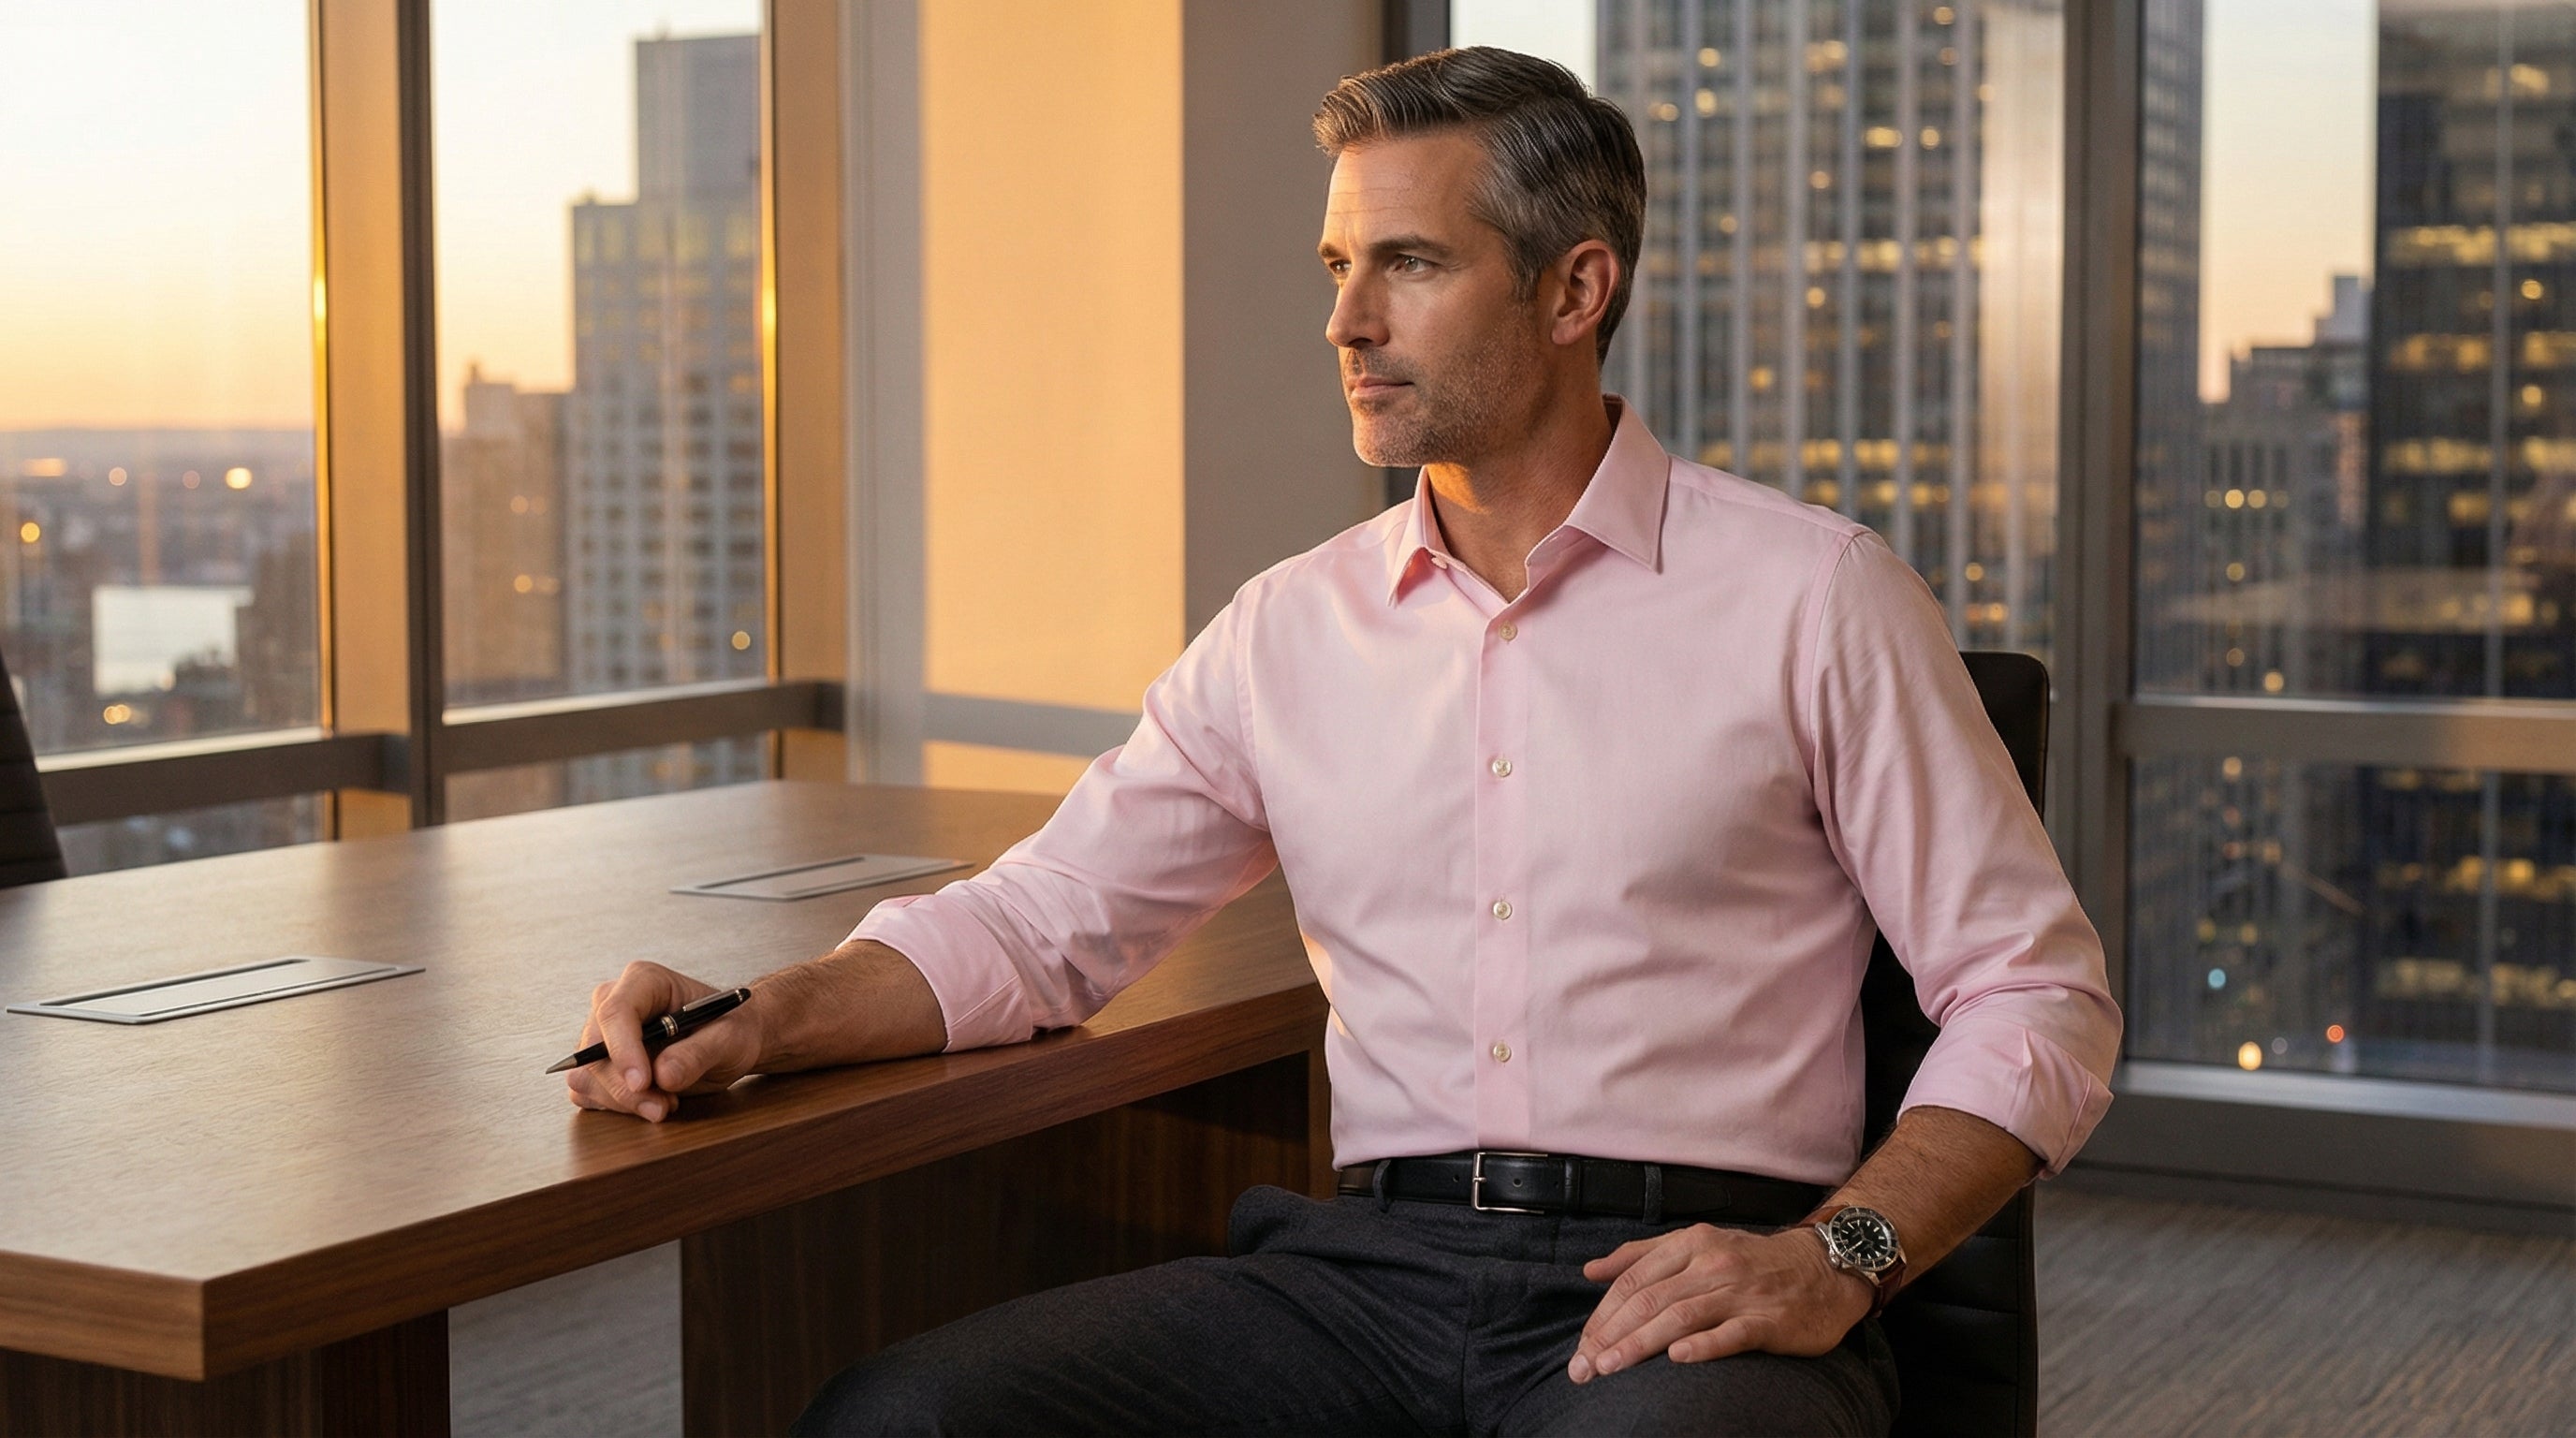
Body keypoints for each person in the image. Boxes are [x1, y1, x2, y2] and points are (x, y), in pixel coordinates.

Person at [565, 46, 2121, 1437]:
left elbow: (2036, 996)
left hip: (1689, 1291)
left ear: (1575, 290)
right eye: (1336, 263)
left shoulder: (1817, 598)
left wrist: (1833, 1260)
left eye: (1408, 264)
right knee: (902, 1416)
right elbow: (1043, 928)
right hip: (1362, 1275)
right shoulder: (1287, 631)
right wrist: (759, 1017)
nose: (1345, 321)